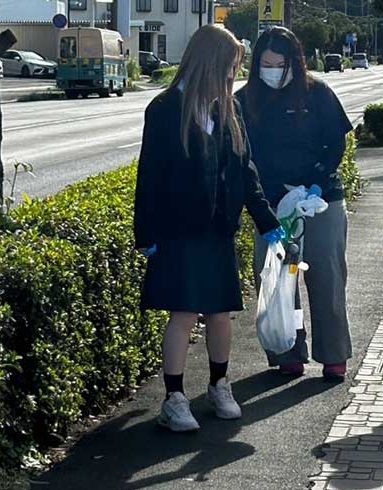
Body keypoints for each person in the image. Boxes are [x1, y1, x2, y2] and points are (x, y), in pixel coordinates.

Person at [134, 25, 285, 432]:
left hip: (218, 230)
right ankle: (174, 397)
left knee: (220, 313)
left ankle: (220, 384)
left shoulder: (227, 109)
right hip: (179, 230)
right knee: (183, 313)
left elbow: (245, 169)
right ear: (211, 63)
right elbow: (149, 176)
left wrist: (267, 220)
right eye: (231, 66)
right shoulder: (166, 108)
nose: (234, 75)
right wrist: (145, 235)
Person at [236, 27, 353, 381]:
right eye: (265, 64)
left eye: (279, 64)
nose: (271, 71)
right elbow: (243, 157)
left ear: (294, 63)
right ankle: (287, 351)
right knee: (276, 278)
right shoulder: (244, 100)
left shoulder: (317, 93)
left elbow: (336, 143)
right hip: (270, 205)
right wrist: (266, 201)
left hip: (320, 200)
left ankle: (333, 355)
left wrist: (317, 181)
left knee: (327, 277)